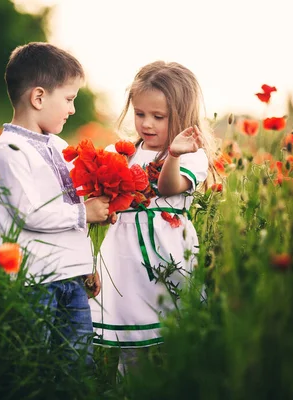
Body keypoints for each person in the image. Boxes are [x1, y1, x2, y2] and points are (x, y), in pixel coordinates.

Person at [0, 42, 109, 368]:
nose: (72, 110)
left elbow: (71, 200)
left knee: (77, 363)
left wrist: (86, 263)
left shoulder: (58, 145)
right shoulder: (10, 150)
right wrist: (86, 212)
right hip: (32, 281)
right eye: (68, 99)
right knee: (31, 363)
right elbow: (31, 213)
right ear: (38, 98)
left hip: (70, 278)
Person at [89, 61, 217, 376]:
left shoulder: (190, 155)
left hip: (170, 253)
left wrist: (173, 155)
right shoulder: (120, 153)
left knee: (177, 336)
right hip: (124, 258)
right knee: (133, 343)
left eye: (158, 117)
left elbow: (168, 187)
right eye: (140, 114)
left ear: (182, 115)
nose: (147, 124)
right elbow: (98, 202)